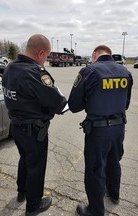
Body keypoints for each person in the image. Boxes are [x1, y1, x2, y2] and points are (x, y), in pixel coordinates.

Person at [2, 34, 67, 216]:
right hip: (34, 131)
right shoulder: (34, 73)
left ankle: (21, 191)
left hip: (16, 127)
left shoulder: (10, 67)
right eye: (46, 56)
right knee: (36, 167)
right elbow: (59, 104)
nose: (46, 60)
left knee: (25, 160)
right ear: (40, 53)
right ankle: (33, 206)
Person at [68, 45, 133, 216]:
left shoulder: (88, 71)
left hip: (98, 131)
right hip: (119, 128)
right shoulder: (125, 72)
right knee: (114, 161)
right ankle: (114, 195)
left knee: (96, 169)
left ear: (94, 54)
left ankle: (95, 210)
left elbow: (74, 105)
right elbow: (125, 103)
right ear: (110, 55)